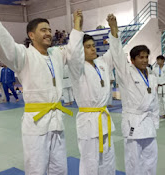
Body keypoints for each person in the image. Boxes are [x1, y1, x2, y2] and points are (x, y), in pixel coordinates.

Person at [0, 1, 85, 174]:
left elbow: (74, 50)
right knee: (36, 168)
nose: (49, 33)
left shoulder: (56, 54)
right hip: (36, 123)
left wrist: (76, 25)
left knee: (59, 168)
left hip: (56, 121)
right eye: (43, 30)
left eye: (50, 30)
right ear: (31, 35)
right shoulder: (24, 55)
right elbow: (3, 42)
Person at [67, 13, 121, 175]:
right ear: (81, 50)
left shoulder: (102, 63)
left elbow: (115, 53)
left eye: (93, 45)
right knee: (90, 160)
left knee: (108, 157)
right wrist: (77, 24)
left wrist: (113, 30)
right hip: (88, 120)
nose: (92, 49)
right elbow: (73, 53)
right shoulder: (77, 67)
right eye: (88, 46)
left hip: (103, 117)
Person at [113, 45, 159, 175]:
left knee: (151, 158)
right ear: (132, 60)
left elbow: (155, 101)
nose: (145, 60)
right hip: (133, 122)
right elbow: (117, 57)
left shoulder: (152, 76)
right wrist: (114, 33)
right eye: (141, 57)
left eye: (146, 57)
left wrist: (155, 122)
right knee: (133, 160)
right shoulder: (126, 73)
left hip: (148, 122)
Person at [153, 55, 165, 121]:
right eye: (157, 60)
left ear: (163, 60)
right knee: (159, 101)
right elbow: (154, 79)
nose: (157, 61)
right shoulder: (155, 69)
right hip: (159, 87)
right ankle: (162, 114)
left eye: (159, 60)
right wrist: (155, 86)